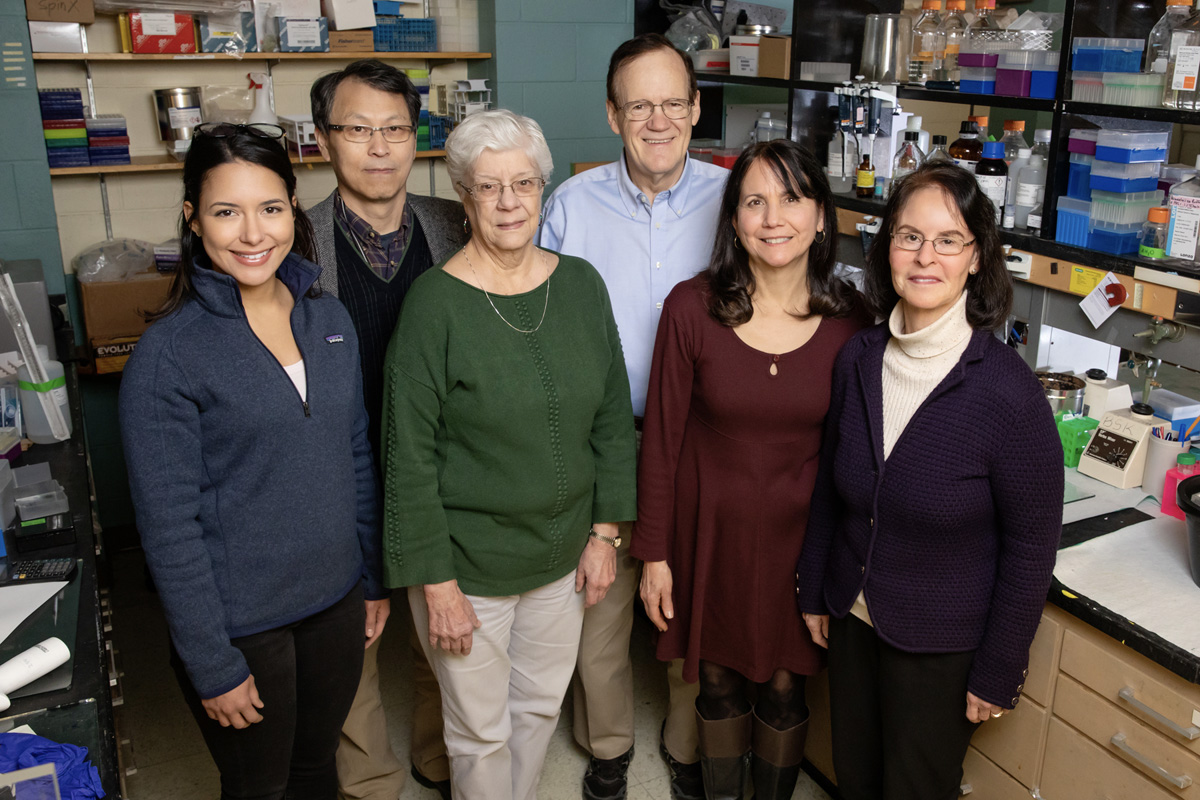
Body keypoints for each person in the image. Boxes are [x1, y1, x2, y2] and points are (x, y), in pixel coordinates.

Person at [119, 122, 385, 799]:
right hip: (244, 624)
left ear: (293, 209)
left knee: (315, 768)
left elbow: (354, 453)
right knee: (259, 786)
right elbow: (169, 527)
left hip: (334, 601)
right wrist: (211, 660)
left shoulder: (329, 321)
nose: (252, 233)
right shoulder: (169, 356)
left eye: (270, 208)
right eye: (225, 211)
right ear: (193, 220)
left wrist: (372, 577)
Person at [381, 109, 637, 800]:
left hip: (561, 559)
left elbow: (614, 419)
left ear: (542, 190)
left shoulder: (580, 285)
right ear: (463, 197)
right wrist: (435, 583)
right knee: (479, 732)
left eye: (523, 183)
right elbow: (408, 457)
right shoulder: (435, 305)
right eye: (488, 187)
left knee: (535, 712)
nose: (508, 203)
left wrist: (606, 531)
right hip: (468, 570)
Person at [795, 161, 1063, 800]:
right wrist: (813, 588)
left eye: (948, 240)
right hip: (854, 617)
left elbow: (1031, 551)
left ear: (976, 259)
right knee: (854, 777)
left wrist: (1000, 667)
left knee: (915, 789)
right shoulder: (858, 359)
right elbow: (833, 491)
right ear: (886, 246)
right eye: (908, 236)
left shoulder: (1008, 394)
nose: (924, 256)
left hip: (942, 644)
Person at [633, 140, 868, 800]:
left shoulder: (854, 322)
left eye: (791, 199)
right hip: (708, 534)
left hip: (802, 543)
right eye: (754, 201)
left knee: (788, 684)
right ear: (733, 219)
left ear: (821, 216)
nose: (773, 218)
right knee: (715, 678)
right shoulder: (692, 308)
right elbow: (661, 442)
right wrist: (654, 554)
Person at [538, 33, 728, 800]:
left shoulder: (739, 202)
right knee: (601, 609)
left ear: (696, 109)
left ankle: (686, 744)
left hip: (704, 443)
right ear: (612, 115)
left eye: (672, 103)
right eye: (639, 105)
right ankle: (608, 743)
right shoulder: (570, 207)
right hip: (602, 444)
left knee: (692, 604)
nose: (658, 120)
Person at [310, 58, 468, 800]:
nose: (379, 147)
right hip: (339, 475)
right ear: (322, 140)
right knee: (354, 639)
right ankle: (371, 782)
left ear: (418, 139)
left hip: (440, 470)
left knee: (441, 628)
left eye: (396, 129)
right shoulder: (295, 241)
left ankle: (441, 758)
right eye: (358, 129)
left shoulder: (453, 224)